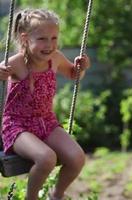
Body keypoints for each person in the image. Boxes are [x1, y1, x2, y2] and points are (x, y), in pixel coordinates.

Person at [0, 8, 89, 200]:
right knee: (46, 158)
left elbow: (74, 74)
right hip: (17, 127)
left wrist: (81, 68)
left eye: (54, 38)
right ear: (25, 38)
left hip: (46, 123)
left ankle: (56, 195)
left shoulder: (55, 58)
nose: (49, 45)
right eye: (42, 39)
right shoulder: (15, 63)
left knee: (77, 158)